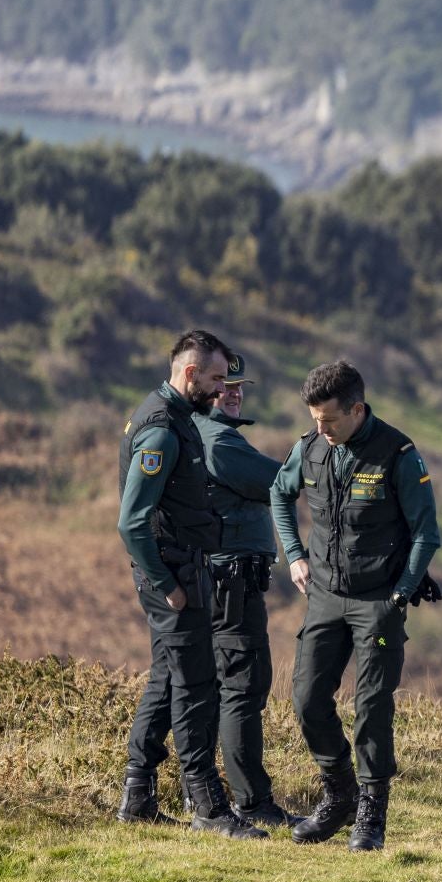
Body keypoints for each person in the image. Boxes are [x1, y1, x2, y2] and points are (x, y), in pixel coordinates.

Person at [270, 360, 440, 852]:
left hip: (378, 599)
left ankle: (371, 812)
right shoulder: (308, 449)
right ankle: (339, 792)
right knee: (306, 698)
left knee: (371, 706)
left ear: (357, 409)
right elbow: (279, 497)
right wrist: (295, 555)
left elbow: (427, 534)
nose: (320, 429)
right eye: (315, 420)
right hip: (323, 594)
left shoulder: (398, 454)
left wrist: (399, 595)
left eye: (329, 420)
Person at [115, 329, 267, 840]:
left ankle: (137, 797)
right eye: (217, 377)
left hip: (182, 568)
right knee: (196, 687)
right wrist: (167, 585)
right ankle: (207, 805)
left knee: (165, 677)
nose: (223, 387)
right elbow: (131, 522)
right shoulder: (161, 429)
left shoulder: (174, 418)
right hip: (174, 575)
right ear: (189, 374)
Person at [192, 351, 303, 830]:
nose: (234, 392)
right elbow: (281, 482)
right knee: (243, 685)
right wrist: (314, 445)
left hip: (224, 578)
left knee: (224, 685)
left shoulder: (208, 435)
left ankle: (230, 796)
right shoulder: (220, 441)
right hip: (231, 581)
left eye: (239, 385)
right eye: (224, 384)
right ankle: (250, 801)